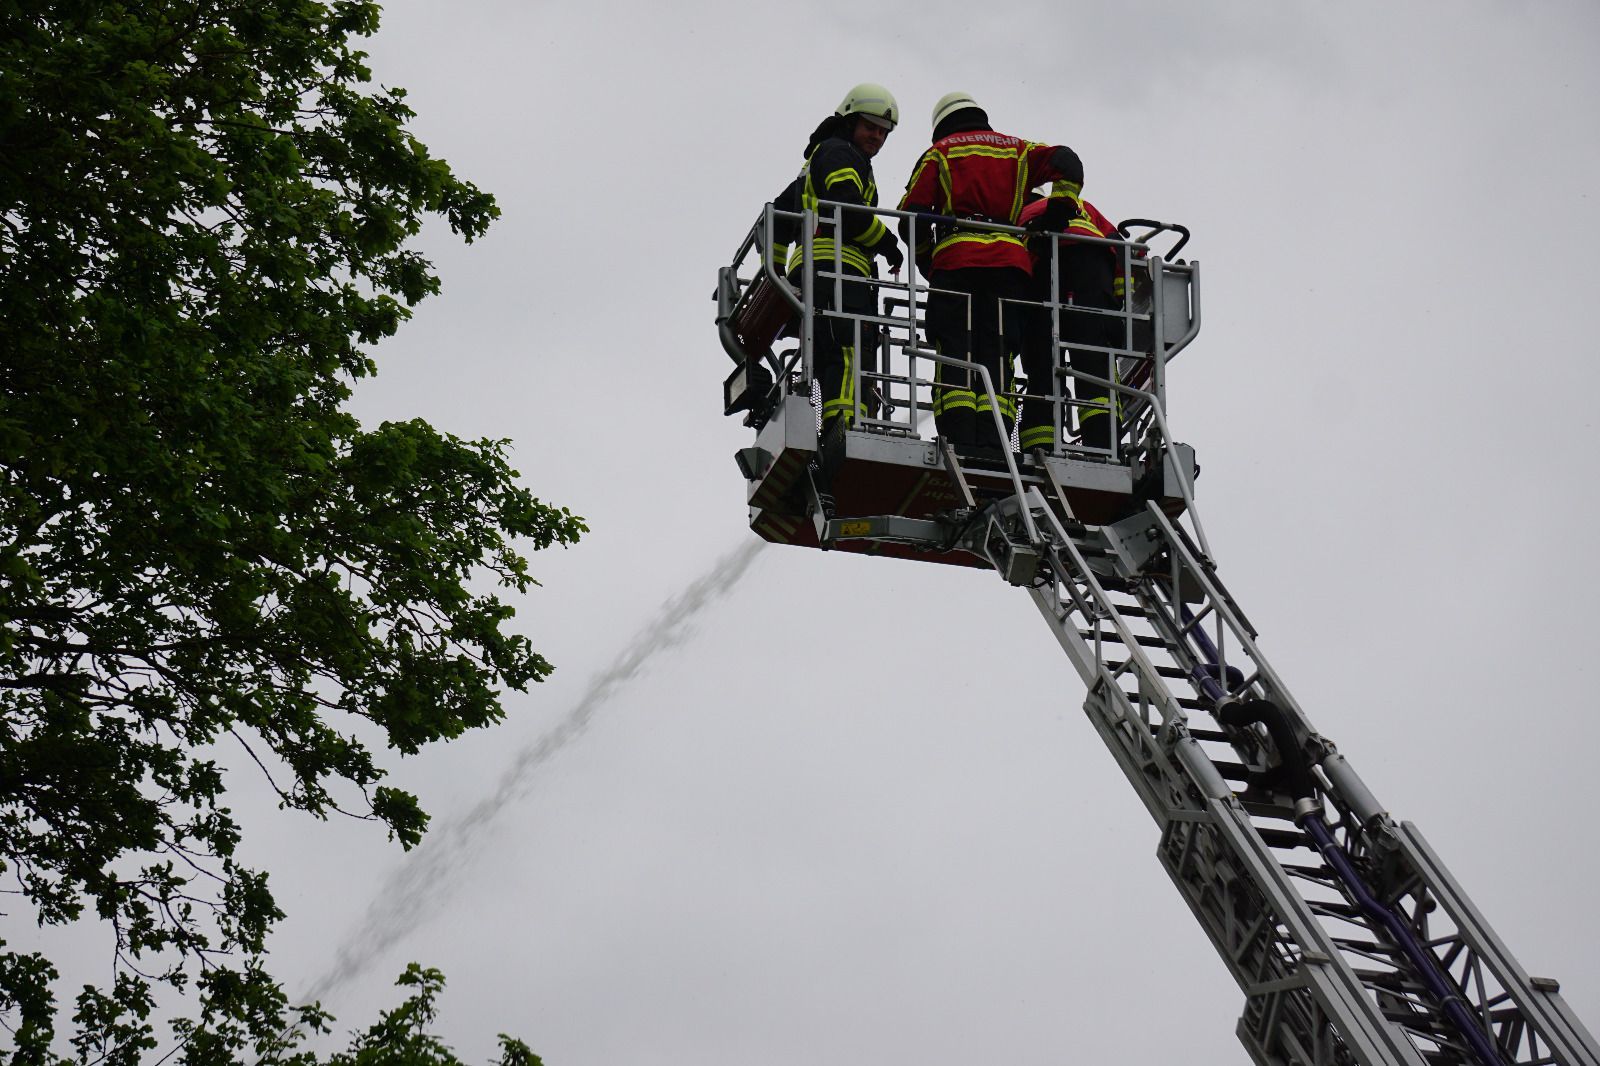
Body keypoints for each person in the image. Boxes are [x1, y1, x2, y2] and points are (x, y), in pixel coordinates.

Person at [897, 92, 1082, 453]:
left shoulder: (939, 153)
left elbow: (911, 218)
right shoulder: (1017, 150)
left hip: (955, 262)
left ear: (941, 125)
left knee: (954, 348)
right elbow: (1068, 163)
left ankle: (959, 434)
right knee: (999, 350)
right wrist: (1058, 212)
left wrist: (926, 262)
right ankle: (996, 439)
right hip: (1008, 266)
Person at [770, 84, 903, 444]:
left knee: (831, 354)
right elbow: (849, 210)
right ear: (850, 121)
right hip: (837, 271)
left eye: (883, 132)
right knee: (848, 350)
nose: (877, 137)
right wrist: (889, 244)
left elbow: (779, 217)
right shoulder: (840, 153)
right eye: (870, 127)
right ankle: (845, 428)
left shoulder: (819, 159)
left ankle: (835, 427)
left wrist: (779, 273)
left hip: (819, 272)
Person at [1017, 183, 1126, 452]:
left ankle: (1039, 443)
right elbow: (1119, 245)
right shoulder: (1083, 206)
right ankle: (1104, 444)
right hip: (1093, 272)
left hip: (1045, 271)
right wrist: (1117, 302)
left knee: (1042, 362)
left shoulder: (1018, 214)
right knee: (1094, 362)